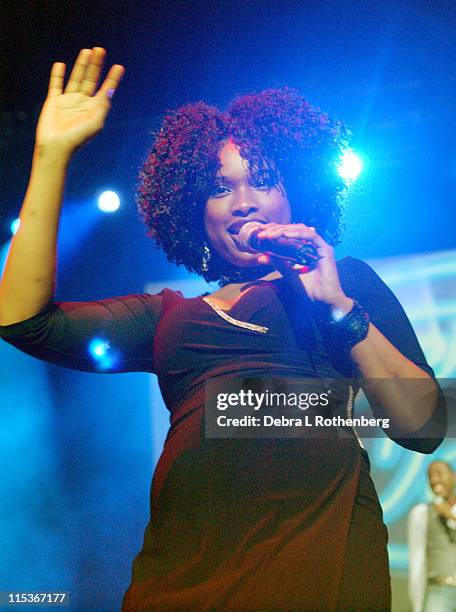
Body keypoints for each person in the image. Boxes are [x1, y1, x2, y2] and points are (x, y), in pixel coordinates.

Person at [0, 47, 446, 611]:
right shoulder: (166, 317)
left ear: (293, 196)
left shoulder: (344, 283)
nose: (242, 203)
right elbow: (20, 319)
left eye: (262, 181)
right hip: (185, 577)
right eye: (218, 188)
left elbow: (424, 424)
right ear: (195, 213)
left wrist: (337, 306)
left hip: (320, 556)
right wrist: (50, 155)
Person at [408, 461, 456, 612]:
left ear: (453, 477)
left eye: (439, 473)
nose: (435, 480)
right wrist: (417, 605)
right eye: (430, 476)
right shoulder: (421, 513)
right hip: (439, 590)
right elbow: (417, 559)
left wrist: (449, 515)